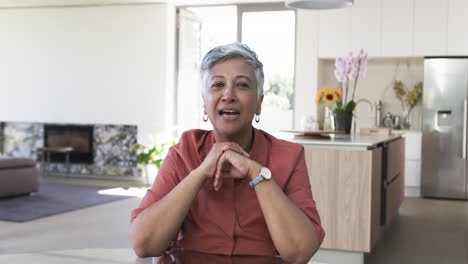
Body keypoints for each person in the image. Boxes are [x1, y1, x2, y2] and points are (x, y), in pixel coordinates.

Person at [129, 42, 325, 264]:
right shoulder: (184, 151)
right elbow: (144, 244)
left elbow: (300, 252)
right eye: (217, 84)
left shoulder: (289, 156)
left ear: (259, 103)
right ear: (205, 104)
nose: (228, 95)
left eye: (242, 85)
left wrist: (256, 172)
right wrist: (201, 172)